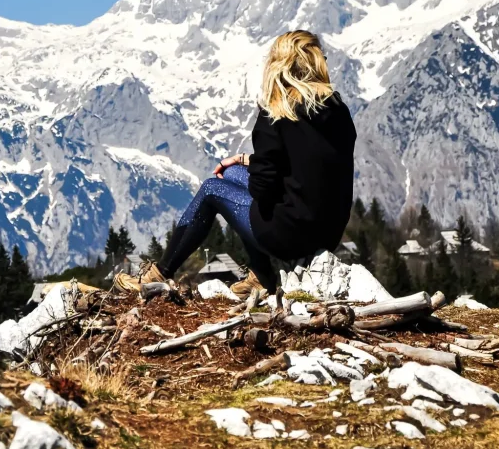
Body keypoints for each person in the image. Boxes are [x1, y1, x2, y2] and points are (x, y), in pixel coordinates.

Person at [115, 30, 356, 298]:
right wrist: (245, 161)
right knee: (231, 172)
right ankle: (260, 277)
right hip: (327, 231)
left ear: (277, 65)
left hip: (292, 235)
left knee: (211, 189)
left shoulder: (277, 113)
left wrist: (255, 183)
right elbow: (304, 162)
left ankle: (158, 274)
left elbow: (263, 189)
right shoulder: (337, 110)